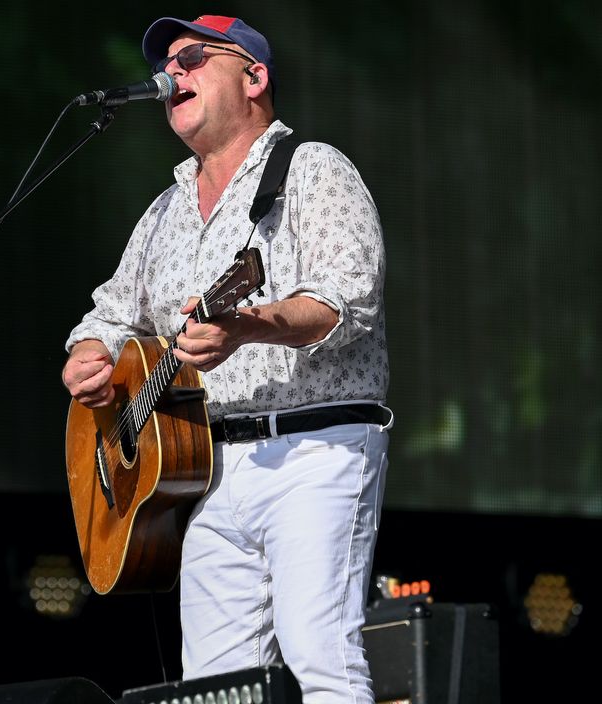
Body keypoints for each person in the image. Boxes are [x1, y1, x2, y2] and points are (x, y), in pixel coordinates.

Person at [61, 14, 391, 704]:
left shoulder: (312, 169)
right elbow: (111, 313)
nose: (172, 75)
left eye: (191, 59)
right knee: (215, 686)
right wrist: (89, 353)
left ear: (255, 76)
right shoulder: (163, 211)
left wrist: (247, 326)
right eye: (167, 65)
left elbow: (346, 299)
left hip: (313, 447)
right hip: (203, 470)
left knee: (321, 658)